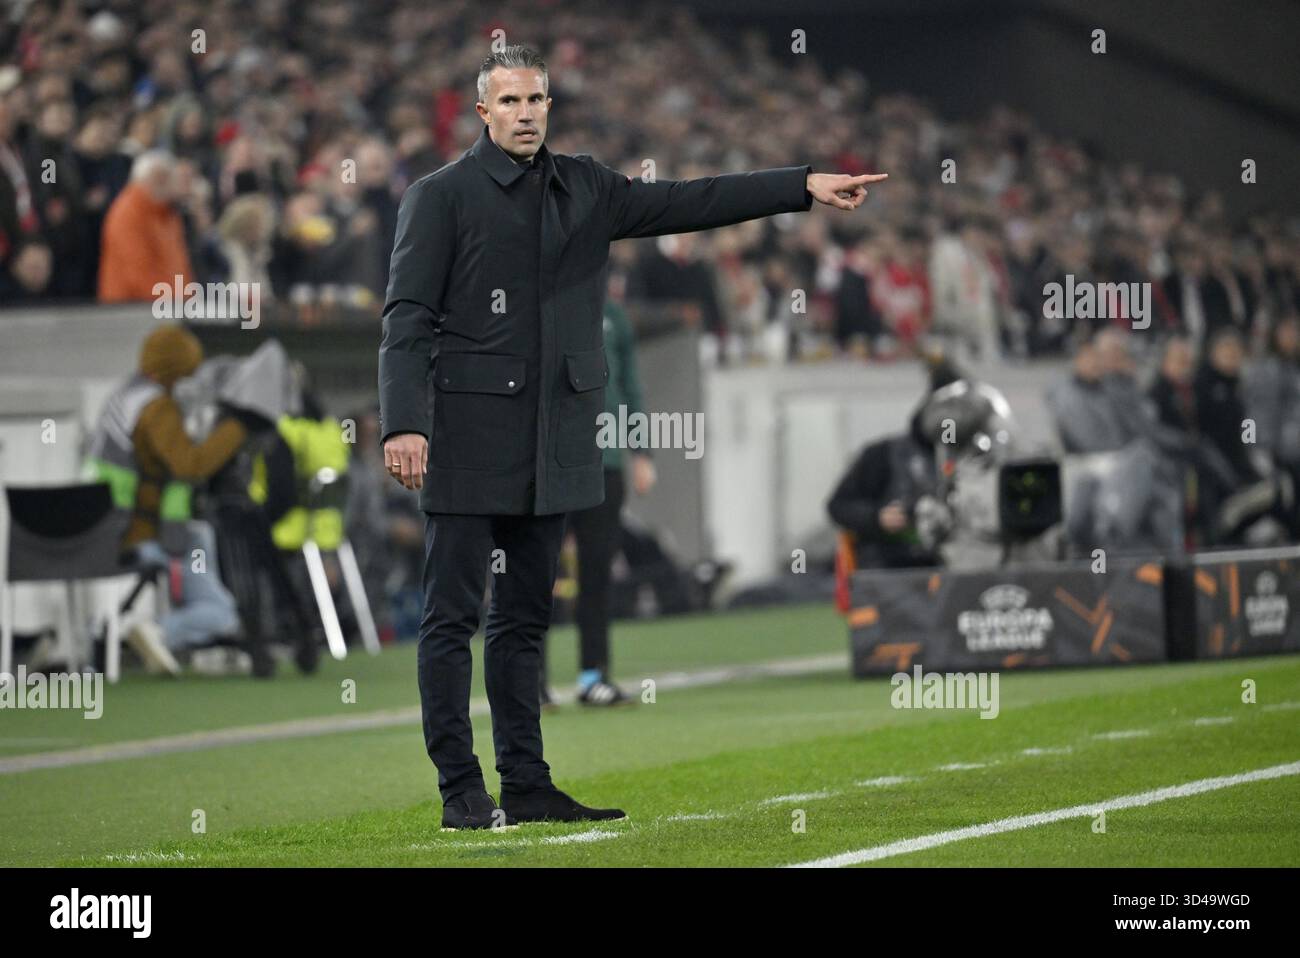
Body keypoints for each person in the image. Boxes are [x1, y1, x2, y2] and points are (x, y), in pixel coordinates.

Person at [378, 45, 885, 830]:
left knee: (523, 620)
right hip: (470, 436)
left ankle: (529, 782)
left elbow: (691, 200)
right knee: (451, 620)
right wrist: (405, 422)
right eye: (509, 102)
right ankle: (459, 789)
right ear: (482, 112)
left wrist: (801, 188)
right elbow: (405, 318)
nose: (525, 114)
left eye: (536, 100)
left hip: (558, 440)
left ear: (550, 104)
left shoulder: (587, 186)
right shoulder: (439, 198)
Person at [85, 324, 248, 674]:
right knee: (221, 612)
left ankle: (153, 632)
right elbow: (191, 465)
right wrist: (238, 428)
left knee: (199, 535)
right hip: (136, 533)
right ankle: (159, 632)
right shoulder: (157, 409)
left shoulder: (125, 396)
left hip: (104, 526)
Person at [540, 300, 655, 708]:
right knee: (536, 575)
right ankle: (532, 682)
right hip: (551, 461)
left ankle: (594, 676)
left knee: (597, 574)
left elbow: (629, 384)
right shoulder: (539, 298)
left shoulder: (614, 315)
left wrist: (641, 451)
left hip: (604, 463)